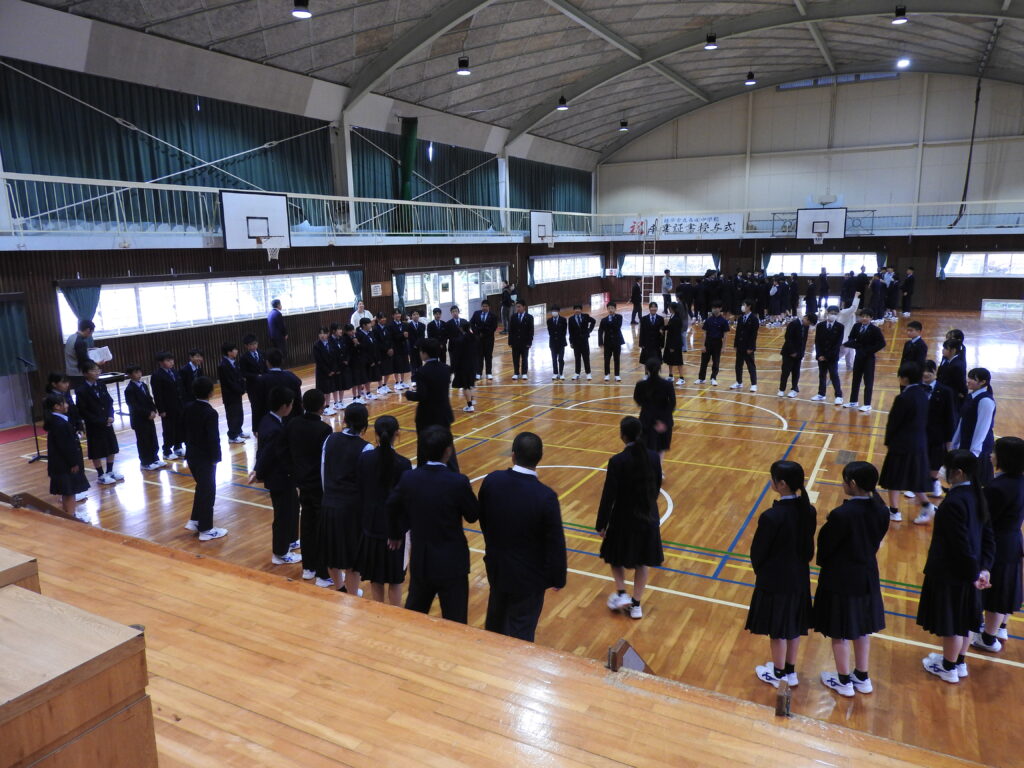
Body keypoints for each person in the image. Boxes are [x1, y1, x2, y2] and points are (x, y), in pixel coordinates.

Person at [478, 432, 567, 642]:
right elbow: (555, 542)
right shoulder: (545, 496)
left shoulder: (492, 480)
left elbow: (484, 518)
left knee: (495, 622)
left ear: (513, 455)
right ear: (540, 457)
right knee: (522, 632)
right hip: (529, 577)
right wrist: (558, 577)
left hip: (497, 567)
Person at [386, 425, 480, 623]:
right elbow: (472, 516)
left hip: (422, 560)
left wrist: (395, 534)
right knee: (456, 622)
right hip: (452, 563)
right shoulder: (458, 482)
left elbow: (391, 505)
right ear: (448, 450)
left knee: (414, 618)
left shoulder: (410, 478)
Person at [918, 450, 995, 684]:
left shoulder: (954, 502)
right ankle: (958, 662)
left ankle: (948, 667)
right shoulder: (977, 495)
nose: (942, 471)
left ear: (958, 472)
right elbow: (988, 536)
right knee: (966, 619)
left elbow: (960, 545)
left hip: (952, 573)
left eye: (946, 467)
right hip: (971, 570)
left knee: (953, 623)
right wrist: (984, 569)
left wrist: (973, 574)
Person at [814, 461, 890, 697]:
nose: (843, 484)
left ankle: (844, 681)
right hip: (867, 575)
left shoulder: (842, 515)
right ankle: (862, 676)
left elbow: (825, 547)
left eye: (845, 480)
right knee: (861, 629)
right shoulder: (881, 509)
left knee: (839, 632)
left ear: (853, 483)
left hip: (841, 578)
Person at [747, 460, 816, 689]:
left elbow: (758, 552)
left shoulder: (772, 516)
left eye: (773, 478)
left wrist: (762, 573)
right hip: (799, 577)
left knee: (777, 630)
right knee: (793, 625)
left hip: (775, 580)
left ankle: (778, 673)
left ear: (782, 484)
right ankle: (790, 671)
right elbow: (808, 549)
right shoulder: (808, 510)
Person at [596, 416, 664, 620]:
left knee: (614, 556)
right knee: (642, 561)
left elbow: (609, 495)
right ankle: (636, 605)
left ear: (623, 435)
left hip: (623, 518)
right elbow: (657, 486)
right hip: (647, 516)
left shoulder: (617, 461)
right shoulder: (653, 457)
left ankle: (621, 593)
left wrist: (601, 523)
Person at [972, 436, 1024, 652]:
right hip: (1013, 541)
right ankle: (1000, 628)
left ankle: (987, 638)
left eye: (995, 452)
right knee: (1005, 589)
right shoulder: (1019, 481)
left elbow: (985, 520)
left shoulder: (998, 487)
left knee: (996, 593)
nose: (991, 456)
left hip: (997, 544)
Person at [356, 415, 412, 606]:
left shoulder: (365, 459)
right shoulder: (403, 464)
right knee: (395, 580)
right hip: (394, 532)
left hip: (371, 526)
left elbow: (361, 491)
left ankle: (378, 616)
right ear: (397, 434)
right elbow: (404, 502)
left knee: (376, 578)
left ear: (376, 434)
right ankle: (394, 616)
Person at [284, 389, 333, 587]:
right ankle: (322, 573)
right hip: (318, 485)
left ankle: (308, 568)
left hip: (301, 482)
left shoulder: (293, 423)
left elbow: (287, 451)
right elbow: (325, 461)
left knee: (306, 524)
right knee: (321, 527)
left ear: (303, 405)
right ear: (322, 407)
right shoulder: (324, 429)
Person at [321, 402, 371, 595]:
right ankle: (351, 594)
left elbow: (323, 471)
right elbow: (366, 484)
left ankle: (339, 588)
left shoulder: (330, 439)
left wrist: (329, 495)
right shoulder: (366, 448)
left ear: (345, 419)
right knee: (353, 558)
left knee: (331, 552)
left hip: (329, 503)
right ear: (365, 423)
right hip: (352, 509)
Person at [878, 362, 936, 524]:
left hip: (902, 444)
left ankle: (894, 511)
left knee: (894, 477)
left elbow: (894, 422)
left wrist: (889, 441)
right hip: (919, 443)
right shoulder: (923, 394)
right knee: (914, 476)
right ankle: (926, 505)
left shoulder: (903, 398)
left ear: (904, 378)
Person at [251, 386, 301, 566]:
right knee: (283, 515)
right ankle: (280, 553)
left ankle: (291, 539)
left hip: (283, 477)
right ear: (284, 406)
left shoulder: (267, 420)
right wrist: (258, 472)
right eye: (291, 404)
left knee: (293, 507)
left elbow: (262, 450)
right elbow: (267, 454)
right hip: (280, 478)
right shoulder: (275, 429)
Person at [182, 377, 227, 541]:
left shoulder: (188, 407)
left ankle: (195, 520)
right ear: (211, 392)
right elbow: (213, 438)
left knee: (201, 488)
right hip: (205, 458)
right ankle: (206, 529)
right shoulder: (210, 413)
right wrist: (216, 457)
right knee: (208, 491)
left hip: (191, 455)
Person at [404, 338, 457, 470]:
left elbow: (422, 395)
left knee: (424, 446)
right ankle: (454, 471)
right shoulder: (446, 368)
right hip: (443, 413)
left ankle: (422, 472)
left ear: (425, 353)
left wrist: (408, 394)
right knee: (446, 443)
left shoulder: (422, 371)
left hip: (427, 415)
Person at [43, 392, 90, 519]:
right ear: (57, 406)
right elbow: (65, 446)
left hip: (61, 463)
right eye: (64, 403)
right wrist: (73, 463)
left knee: (67, 491)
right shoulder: (60, 424)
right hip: (65, 465)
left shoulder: (58, 421)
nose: (67, 405)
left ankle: (69, 515)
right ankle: (71, 517)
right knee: (69, 491)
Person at [75, 361, 120, 485]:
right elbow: (83, 410)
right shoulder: (81, 390)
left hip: (107, 422)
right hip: (94, 425)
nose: (97, 372)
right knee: (97, 450)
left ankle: (110, 471)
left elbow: (109, 401)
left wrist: (111, 416)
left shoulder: (101, 384)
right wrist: (100, 421)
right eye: (93, 370)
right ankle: (101, 474)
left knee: (111, 446)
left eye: (98, 370)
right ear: (85, 373)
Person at [952, 368, 997, 486]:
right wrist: (955, 443)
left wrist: (974, 453)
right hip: (966, 444)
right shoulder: (970, 396)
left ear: (983, 382)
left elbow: (982, 428)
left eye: (973, 378)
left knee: (979, 483)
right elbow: (962, 421)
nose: (968, 380)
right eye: (969, 377)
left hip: (980, 449)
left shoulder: (985, 400)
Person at [922, 360, 958, 499]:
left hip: (937, 435)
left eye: (929, 371)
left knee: (935, 461)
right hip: (919, 433)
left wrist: (949, 439)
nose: (925, 374)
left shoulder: (945, 391)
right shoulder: (916, 388)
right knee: (919, 459)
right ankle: (917, 485)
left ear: (935, 372)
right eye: (923, 371)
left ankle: (934, 483)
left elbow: (950, 416)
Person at [843, 309, 886, 413]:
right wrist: (854, 345)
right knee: (855, 379)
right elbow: (851, 338)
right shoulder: (856, 326)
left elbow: (882, 343)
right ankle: (853, 401)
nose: (864, 318)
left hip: (869, 358)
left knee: (868, 381)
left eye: (867, 316)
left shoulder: (875, 329)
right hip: (858, 357)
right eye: (862, 316)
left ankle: (867, 404)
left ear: (871, 318)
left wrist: (868, 351)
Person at [124, 364, 164, 471]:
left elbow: (149, 399)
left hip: (149, 418)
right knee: (143, 441)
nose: (139, 374)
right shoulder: (129, 389)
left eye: (139, 372)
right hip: (139, 420)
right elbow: (134, 406)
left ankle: (155, 458)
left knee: (152, 438)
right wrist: (147, 413)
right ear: (130, 375)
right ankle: (146, 462)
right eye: (136, 372)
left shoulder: (144, 385)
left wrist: (153, 410)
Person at [633, 358, 675, 458]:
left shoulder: (640, 385)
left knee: (647, 448)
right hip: (664, 421)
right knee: (660, 449)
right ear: (660, 369)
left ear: (646, 369)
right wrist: (662, 421)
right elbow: (672, 403)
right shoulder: (667, 384)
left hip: (646, 420)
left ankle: (649, 466)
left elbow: (637, 400)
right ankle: (658, 467)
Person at [253, 349, 302, 433]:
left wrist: (256, 427)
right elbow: (298, 400)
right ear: (282, 361)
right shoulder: (291, 376)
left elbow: (257, 405)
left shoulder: (262, 380)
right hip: (291, 421)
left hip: (270, 423)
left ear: (267, 362)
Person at [152, 352, 185, 460]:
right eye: (168, 360)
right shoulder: (157, 375)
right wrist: (161, 410)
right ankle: (166, 450)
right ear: (161, 363)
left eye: (172, 360)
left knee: (179, 426)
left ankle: (178, 446)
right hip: (167, 408)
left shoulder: (174, 372)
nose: (171, 362)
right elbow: (157, 394)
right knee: (168, 429)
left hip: (178, 405)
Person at [447, 305, 477, 413]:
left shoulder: (460, 341)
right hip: (472, 364)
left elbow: (457, 355)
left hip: (463, 365)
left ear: (461, 328)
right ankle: (472, 400)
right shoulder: (473, 337)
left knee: (466, 386)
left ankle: (470, 405)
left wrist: (453, 367)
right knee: (470, 384)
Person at [811, 307, 845, 405]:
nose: (832, 315)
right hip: (821, 356)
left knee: (834, 375)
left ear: (837, 314)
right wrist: (819, 355)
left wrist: (826, 356)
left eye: (835, 313)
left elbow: (837, 344)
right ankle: (821, 394)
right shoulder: (820, 325)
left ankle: (839, 396)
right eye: (831, 313)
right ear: (827, 313)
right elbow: (817, 341)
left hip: (832, 357)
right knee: (822, 375)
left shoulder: (840, 327)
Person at [779, 312, 816, 398]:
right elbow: (788, 338)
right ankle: (781, 389)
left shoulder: (806, 326)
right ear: (806, 318)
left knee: (796, 372)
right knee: (785, 372)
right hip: (788, 353)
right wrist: (792, 352)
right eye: (809, 323)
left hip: (799, 354)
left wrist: (801, 352)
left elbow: (804, 340)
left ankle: (794, 389)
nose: (808, 325)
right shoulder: (793, 324)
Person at [218, 342, 247, 444]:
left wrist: (243, 388)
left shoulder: (234, 362)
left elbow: (240, 376)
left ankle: (238, 431)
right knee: (232, 415)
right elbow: (229, 382)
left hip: (237, 393)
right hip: (230, 395)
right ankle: (232, 436)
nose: (236, 351)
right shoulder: (223, 365)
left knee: (239, 413)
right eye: (234, 349)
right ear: (229, 352)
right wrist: (240, 389)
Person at [239, 334, 267, 433]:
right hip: (252, 386)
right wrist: (256, 376)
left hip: (264, 384)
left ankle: (266, 426)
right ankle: (255, 429)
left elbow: (266, 367)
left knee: (265, 406)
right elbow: (243, 373)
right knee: (255, 407)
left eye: (255, 343)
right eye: (251, 344)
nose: (254, 346)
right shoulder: (243, 357)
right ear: (246, 346)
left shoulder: (262, 353)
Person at [696, 303, 729, 385]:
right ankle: (701, 378)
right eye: (713, 308)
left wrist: (724, 347)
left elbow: (725, 335)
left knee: (716, 361)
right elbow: (704, 333)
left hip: (717, 343)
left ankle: (713, 378)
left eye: (716, 308)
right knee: (704, 361)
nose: (714, 309)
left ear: (720, 308)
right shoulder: (708, 320)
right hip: (708, 342)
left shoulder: (724, 321)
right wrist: (703, 345)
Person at [731, 300, 759, 392]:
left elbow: (754, 335)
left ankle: (754, 384)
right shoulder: (740, 318)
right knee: (738, 365)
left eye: (744, 305)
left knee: (750, 366)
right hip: (740, 346)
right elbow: (738, 332)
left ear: (749, 306)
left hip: (748, 347)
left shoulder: (754, 319)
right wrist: (735, 344)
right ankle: (739, 382)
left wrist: (751, 347)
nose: (742, 306)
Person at [470, 300, 498, 380]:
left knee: (488, 356)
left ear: (489, 307)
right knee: (479, 356)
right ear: (481, 306)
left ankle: (489, 373)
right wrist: (476, 333)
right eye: (483, 306)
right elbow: (471, 323)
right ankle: (478, 373)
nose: (484, 308)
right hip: (478, 339)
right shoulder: (476, 313)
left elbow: (494, 327)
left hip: (489, 339)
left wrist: (484, 334)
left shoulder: (493, 315)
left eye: (486, 306)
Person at [568, 304, 596, 381]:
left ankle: (588, 373)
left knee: (586, 357)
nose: (577, 310)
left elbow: (593, 321)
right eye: (576, 309)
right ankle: (577, 373)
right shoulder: (571, 319)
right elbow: (570, 331)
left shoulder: (585, 316)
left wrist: (589, 330)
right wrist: (571, 342)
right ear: (574, 310)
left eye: (579, 309)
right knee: (577, 358)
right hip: (576, 341)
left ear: (581, 310)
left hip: (584, 341)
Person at [63, 319, 95, 387]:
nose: (90, 335)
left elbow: (75, 352)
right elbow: (84, 360)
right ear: (88, 330)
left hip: (70, 372)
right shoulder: (80, 342)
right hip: (79, 374)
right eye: (92, 332)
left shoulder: (71, 337)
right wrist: (96, 363)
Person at [598, 301, 624, 381]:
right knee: (607, 359)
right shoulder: (604, 320)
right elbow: (600, 331)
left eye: (612, 308)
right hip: (607, 342)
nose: (610, 310)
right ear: (607, 309)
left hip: (617, 342)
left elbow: (617, 326)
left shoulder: (619, 317)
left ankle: (617, 375)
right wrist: (600, 342)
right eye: (609, 308)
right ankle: (607, 374)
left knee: (617, 359)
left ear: (615, 309)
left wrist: (611, 319)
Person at [508, 300, 534, 380]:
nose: (518, 308)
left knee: (524, 358)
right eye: (517, 307)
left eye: (519, 307)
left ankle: (524, 373)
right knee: (515, 358)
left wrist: (529, 342)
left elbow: (531, 331)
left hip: (525, 342)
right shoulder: (513, 317)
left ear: (524, 307)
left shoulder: (529, 317)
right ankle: (516, 373)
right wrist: (510, 341)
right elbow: (511, 330)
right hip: (515, 342)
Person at [662, 302, 687, 386]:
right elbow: (670, 327)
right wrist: (663, 328)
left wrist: (672, 346)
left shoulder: (676, 319)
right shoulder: (672, 316)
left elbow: (675, 333)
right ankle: (670, 375)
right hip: (670, 342)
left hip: (675, 343)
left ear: (671, 308)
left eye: (669, 307)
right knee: (670, 360)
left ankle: (682, 378)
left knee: (678, 361)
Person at [938, 339, 968, 408]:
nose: (943, 350)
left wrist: (960, 394)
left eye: (945, 348)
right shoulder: (947, 361)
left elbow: (960, 382)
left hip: (953, 396)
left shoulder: (957, 365)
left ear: (953, 350)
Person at [372, 312, 396, 396]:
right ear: (378, 319)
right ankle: (380, 387)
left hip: (388, 352)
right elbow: (377, 343)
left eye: (384, 317)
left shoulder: (387, 327)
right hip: (380, 353)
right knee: (380, 370)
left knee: (388, 369)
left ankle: (385, 385)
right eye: (382, 318)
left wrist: (391, 348)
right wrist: (386, 349)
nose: (384, 319)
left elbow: (391, 339)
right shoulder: (375, 329)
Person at [388, 309, 411, 391]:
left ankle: (402, 381)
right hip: (396, 347)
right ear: (393, 315)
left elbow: (407, 336)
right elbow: (392, 337)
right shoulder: (390, 325)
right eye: (396, 314)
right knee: (397, 365)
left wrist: (406, 336)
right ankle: (397, 382)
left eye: (399, 314)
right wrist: (402, 336)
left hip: (403, 347)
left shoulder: (404, 324)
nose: (398, 315)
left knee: (403, 364)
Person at [637, 302, 664, 366]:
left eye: (655, 307)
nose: (653, 309)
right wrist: (641, 343)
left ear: (657, 308)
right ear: (649, 308)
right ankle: (646, 372)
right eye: (652, 307)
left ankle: (657, 372)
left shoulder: (661, 319)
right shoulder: (644, 319)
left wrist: (662, 344)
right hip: (647, 343)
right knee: (646, 360)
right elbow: (642, 332)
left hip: (657, 344)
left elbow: (663, 333)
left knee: (657, 361)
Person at [313, 327, 335, 400]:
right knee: (322, 390)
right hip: (322, 371)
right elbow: (319, 361)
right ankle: (322, 404)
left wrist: (333, 370)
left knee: (329, 389)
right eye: (320, 333)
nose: (322, 335)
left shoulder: (331, 343)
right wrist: (328, 371)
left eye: (324, 333)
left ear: (328, 334)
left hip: (331, 370)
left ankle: (328, 405)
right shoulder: (316, 345)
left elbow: (335, 357)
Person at [547, 306, 568, 380]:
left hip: (561, 342)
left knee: (561, 359)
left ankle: (561, 373)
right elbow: (550, 331)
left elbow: (564, 331)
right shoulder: (549, 320)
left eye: (555, 311)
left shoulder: (563, 320)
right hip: (553, 342)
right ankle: (555, 373)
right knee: (554, 359)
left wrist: (559, 338)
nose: (554, 312)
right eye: (553, 311)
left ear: (558, 311)